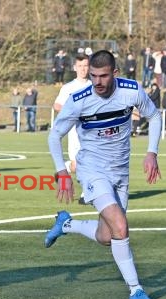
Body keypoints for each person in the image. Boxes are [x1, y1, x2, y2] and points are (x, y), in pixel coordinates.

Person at [45, 50, 162, 299]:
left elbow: (154, 116)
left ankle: (66, 225)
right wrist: (61, 172)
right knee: (121, 226)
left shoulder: (131, 91)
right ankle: (136, 290)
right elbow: (54, 135)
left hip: (121, 172)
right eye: (94, 76)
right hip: (92, 169)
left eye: (103, 76)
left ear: (115, 74)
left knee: (107, 236)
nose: (97, 81)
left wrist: (152, 152)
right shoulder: (80, 100)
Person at [53, 53, 91, 205]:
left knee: (91, 162)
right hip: (75, 132)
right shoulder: (68, 87)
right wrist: (72, 113)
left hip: (93, 131)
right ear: (75, 68)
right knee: (77, 165)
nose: (83, 69)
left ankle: (85, 194)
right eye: (80, 66)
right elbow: (57, 105)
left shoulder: (95, 86)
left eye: (86, 66)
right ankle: (65, 169)